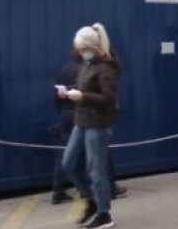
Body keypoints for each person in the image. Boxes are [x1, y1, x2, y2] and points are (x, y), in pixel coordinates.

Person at [60, 23, 120, 229]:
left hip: (98, 124)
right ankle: (90, 200)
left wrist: (82, 96)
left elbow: (108, 98)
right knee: (68, 163)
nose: (79, 52)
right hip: (82, 121)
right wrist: (70, 91)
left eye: (82, 48)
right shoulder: (87, 64)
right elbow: (85, 87)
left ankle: (104, 214)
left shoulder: (106, 68)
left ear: (92, 47)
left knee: (96, 170)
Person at [52, 53, 126, 205]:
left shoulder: (64, 69)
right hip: (85, 115)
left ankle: (59, 190)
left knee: (66, 156)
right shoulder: (89, 72)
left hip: (66, 114)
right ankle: (108, 190)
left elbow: (56, 98)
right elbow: (105, 97)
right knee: (99, 157)